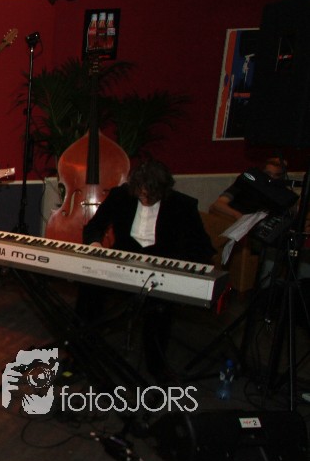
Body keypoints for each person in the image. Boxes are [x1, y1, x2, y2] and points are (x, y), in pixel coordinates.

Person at [80, 159, 214, 382]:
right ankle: (83, 351)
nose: (144, 197)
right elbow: (94, 227)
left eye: (150, 194)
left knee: (160, 306)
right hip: (123, 261)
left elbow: (202, 247)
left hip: (160, 266)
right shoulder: (121, 196)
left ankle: (156, 365)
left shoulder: (182, 205)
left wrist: (181, 265)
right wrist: (95, 243)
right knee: (89, 288)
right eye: (140, 192)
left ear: (163, 189)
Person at [209, 156, 293, 222]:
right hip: (235, 221)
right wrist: (238, 216)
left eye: (277, 175)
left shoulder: (280, 194)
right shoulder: (245, 183)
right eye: (268, 173)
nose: (272, 177)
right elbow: (218, 204)